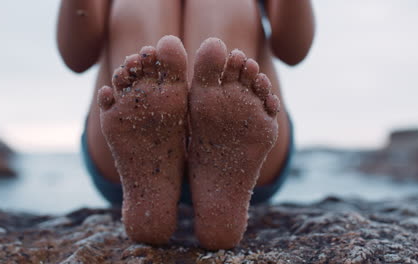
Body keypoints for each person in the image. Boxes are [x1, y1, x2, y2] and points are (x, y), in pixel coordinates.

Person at [57, 0, 314, 250]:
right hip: (123, 164)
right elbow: (77, 56)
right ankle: (156, 140)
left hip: (249, 164)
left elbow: (292, 50)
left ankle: (215, 141)